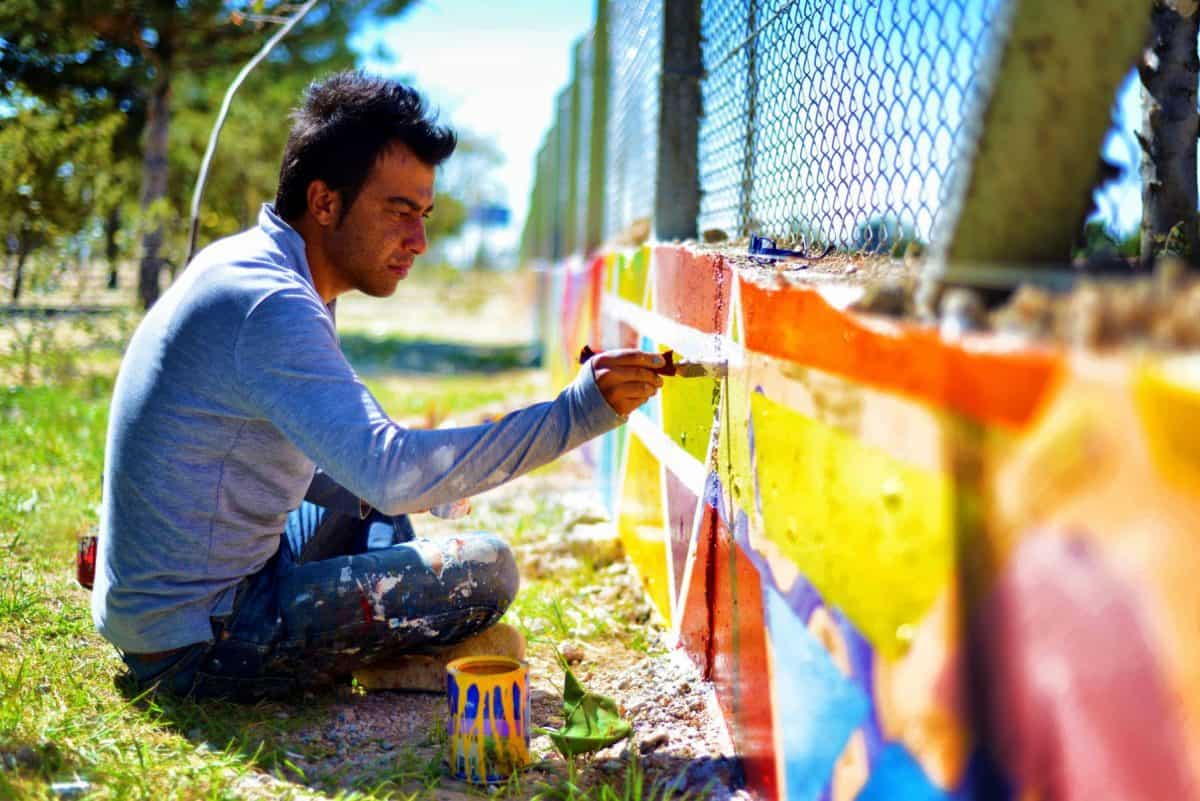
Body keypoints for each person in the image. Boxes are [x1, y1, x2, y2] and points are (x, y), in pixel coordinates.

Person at [92, 70, 663, 701]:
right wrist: (578, 412)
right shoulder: (271, 301)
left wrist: (405, 489)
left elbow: (307, 461)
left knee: (385, 510)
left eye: (424, 215)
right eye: (399, 212)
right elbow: (391, 471)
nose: (418, 241)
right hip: (199, 641)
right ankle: (396, 656)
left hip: (179, 604)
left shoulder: (260, 265)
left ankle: (394, 651)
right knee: (486, 569)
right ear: (325, 202)